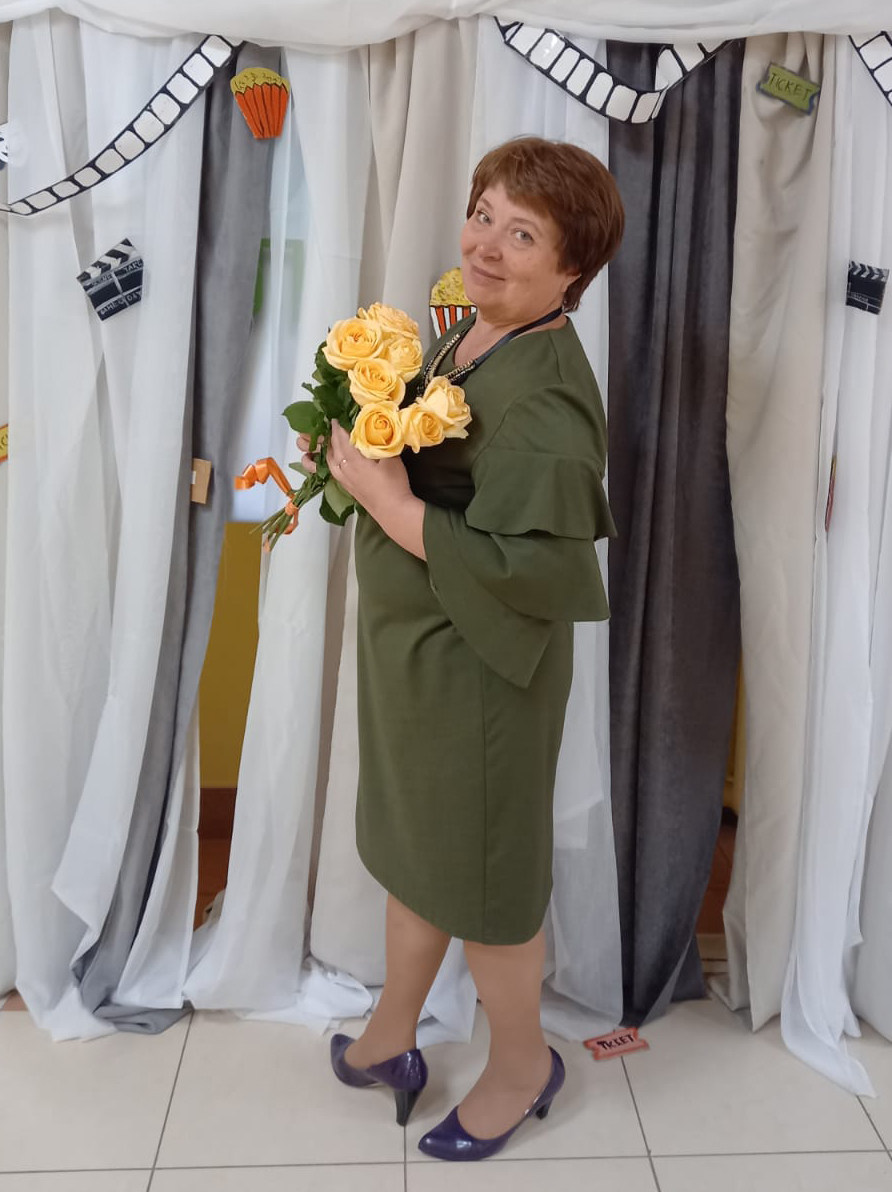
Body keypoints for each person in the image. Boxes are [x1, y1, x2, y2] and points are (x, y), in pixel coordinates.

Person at [298, 136, 624, 1161]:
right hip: (419, 659)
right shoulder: (474, 335)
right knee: (419, 848)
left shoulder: (547, 400)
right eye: (483, 214)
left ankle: (524, 1065)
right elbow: (425, 465)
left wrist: (389, 503)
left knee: (486, 884)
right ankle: (393, 1036)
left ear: (572, 269)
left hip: (479, 677)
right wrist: (352, 449)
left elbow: (532, 571)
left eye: (521, 235)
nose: (483, 244)